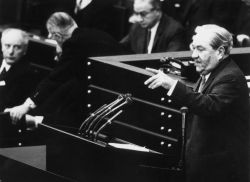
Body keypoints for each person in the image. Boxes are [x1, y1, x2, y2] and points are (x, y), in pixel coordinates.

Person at [144, 24, 249, 182]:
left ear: (220, 52)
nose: (193, 55)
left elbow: (209, 105)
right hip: (204, 163)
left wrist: (172, 84)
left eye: (200, 49)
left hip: (220, 170)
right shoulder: (212, 69)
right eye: (193, 48)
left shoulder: (230, 77)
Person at [5, 12, 127, 127]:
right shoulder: (96, 34)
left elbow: (55, 78)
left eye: (51, 35)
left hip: (102, 101)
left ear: (57, 35)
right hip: (120, 95)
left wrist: (26, 106)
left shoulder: (73, 43)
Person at [120, 0, 186, 54]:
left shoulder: (175, 30)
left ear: (157, 11)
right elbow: (121, 47)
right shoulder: (136, 27)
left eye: (143, 14)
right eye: (136, 13)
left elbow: (171, 60)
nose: (139, 19)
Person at [0, 28, 39, 112]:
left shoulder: (28, 74)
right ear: (1, 47)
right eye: (7, 46)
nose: (11, 52)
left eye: (17, 47)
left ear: (24, 50)